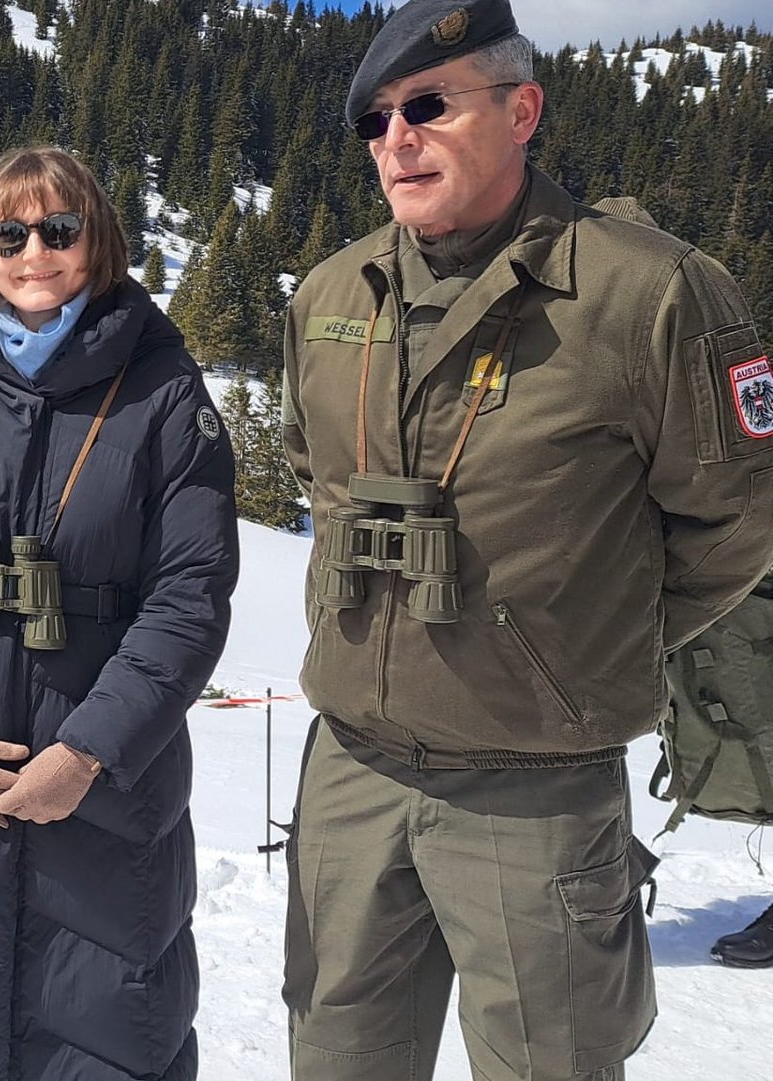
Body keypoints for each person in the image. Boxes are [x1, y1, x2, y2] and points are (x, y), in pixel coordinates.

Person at [280, 2, 773, 1078]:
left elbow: (739, 518)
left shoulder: (648, 292)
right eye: (374, 120)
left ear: (524, 110)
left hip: (534, 790)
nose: (396, 139)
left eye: (427, 106)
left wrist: (579, 647)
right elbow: (317, 479)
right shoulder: (330, 293)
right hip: (351, 778)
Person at [0, 145, 237, 1081]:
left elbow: (190, 596)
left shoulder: (165, 390)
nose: (34, 252)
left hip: (101, 786)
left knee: (96, 1038)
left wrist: (88, 753)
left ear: (96, 239)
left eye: (58, 229)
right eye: (9, 232)